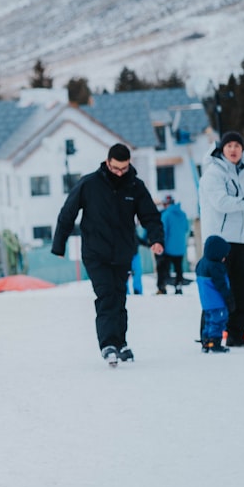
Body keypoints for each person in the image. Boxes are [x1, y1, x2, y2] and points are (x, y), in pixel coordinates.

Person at [51, 143, 164, 366]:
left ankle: (121, 343)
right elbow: (67, 213)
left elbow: (150, 216)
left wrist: (156, 239)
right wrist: (59, 245)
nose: (119, 173)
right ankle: (107, 344)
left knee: (119, 297)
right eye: (115, 168)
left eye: (123, 169)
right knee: (106, 295)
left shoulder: (135, 186)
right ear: (108, 162)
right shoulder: (89, 183)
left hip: (122, 252)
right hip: (95, 252)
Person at [198, 131, 244, 348]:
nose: (233, 150)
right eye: (229, 145)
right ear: (222, 149)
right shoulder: (213, 173)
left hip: (241, 238)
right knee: (216, 286)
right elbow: (222, 203)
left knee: (241, 288)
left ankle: (236, 334)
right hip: (219, 241)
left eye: (237, 146)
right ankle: (209, 334)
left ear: (242, 150)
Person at [196, 235, 233, 353]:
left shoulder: (202, 263)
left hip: (206, 302)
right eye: (223, 255)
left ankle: (206, 341)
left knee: (208, 322)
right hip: (217, 301)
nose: (225, 258)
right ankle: (215, 343)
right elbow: (221, 285)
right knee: (218, 322)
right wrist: (228, 298)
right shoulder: (215, 267)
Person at [156, 195, 190, 295]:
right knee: (178, 268)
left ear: (167, 204)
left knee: (162, 268)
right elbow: (186, 228)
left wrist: (161, 246)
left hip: (168, 248)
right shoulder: (183, 214)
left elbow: (164, 232)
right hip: (180, 247)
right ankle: (178, 286)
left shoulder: (166, 215)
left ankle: (162, 287)